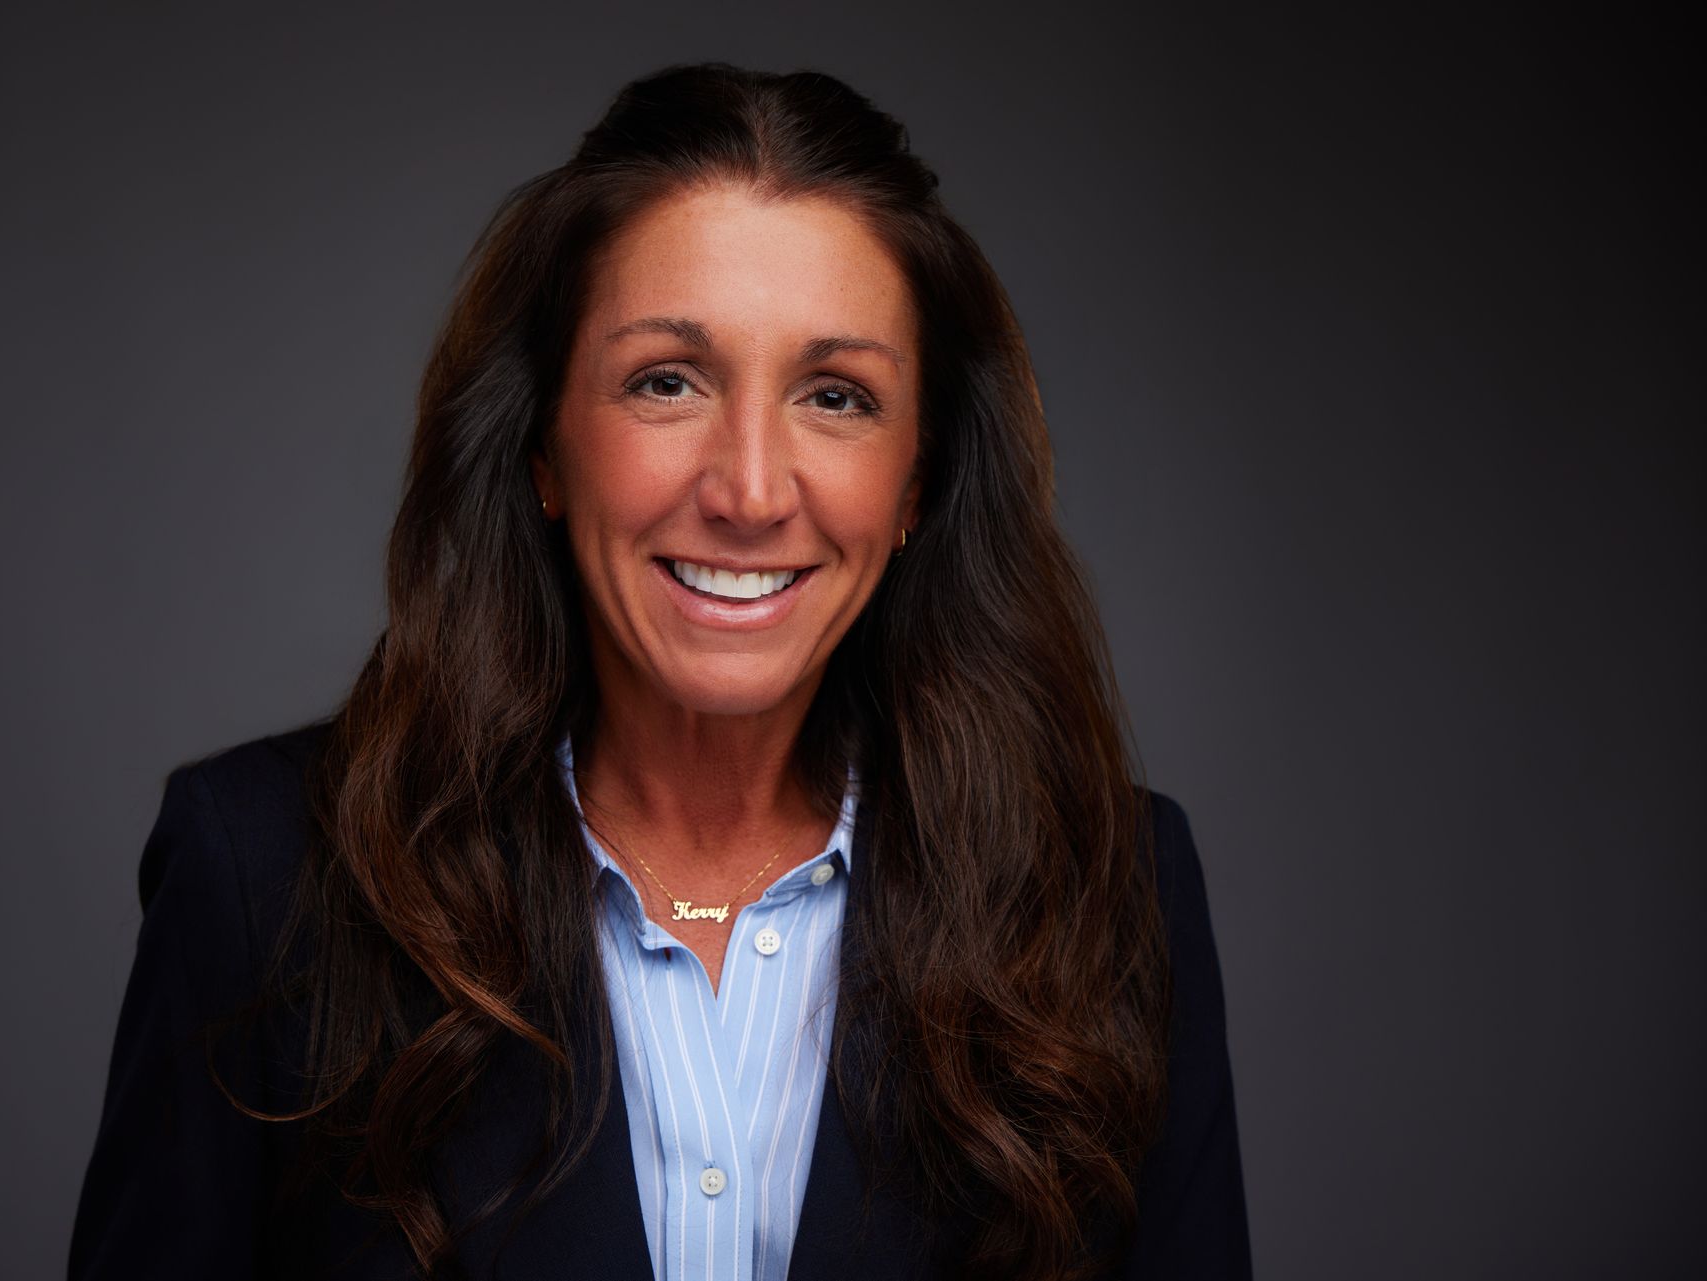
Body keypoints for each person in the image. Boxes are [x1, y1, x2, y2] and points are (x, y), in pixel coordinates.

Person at [69, 62, 1252, 1281]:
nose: (749, 490)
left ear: (917, 482)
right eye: (666, 382)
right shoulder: (264, 880)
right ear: (544, 447)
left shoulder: (1114, 896)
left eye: (836, 396)